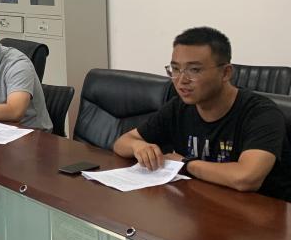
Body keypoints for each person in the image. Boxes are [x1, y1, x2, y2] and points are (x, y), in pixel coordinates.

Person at [113, 27, 291, 201]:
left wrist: (185, 163)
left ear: (226, 73)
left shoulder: (261, 113)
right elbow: (122, 143)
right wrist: (138, 146)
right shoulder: (179, 107)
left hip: (260, 213)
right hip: (202, 205)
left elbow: (246, 178)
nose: (181, 80)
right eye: (175, 69)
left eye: (194, 70)